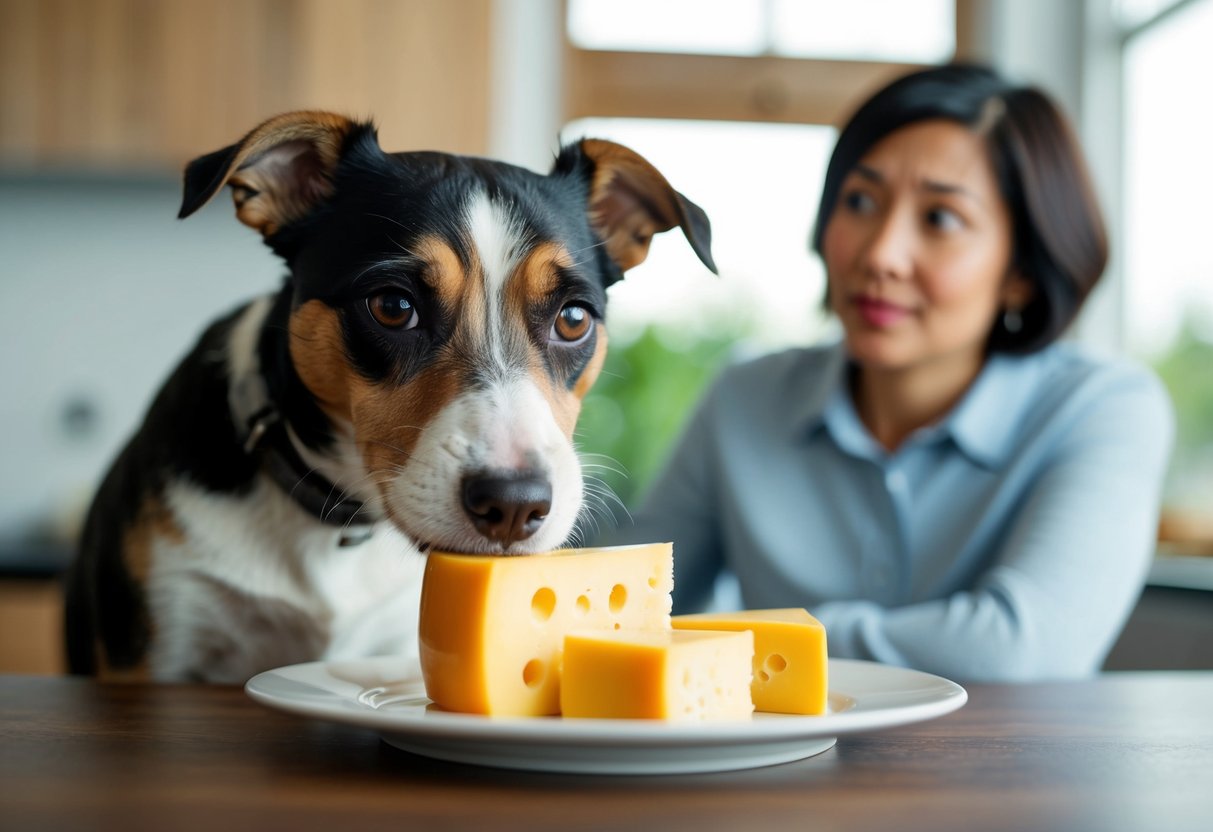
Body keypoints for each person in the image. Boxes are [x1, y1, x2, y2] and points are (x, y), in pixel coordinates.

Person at [609, 63, 1174, 682]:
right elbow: (624, 613)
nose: (880, 254)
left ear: (1021, 272)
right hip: (781, 772)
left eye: (940, 219)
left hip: (1011, 774)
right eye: (860, 202)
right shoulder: (745, 399)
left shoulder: (1103, 406)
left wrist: (743, 639)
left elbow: (1021, 650)